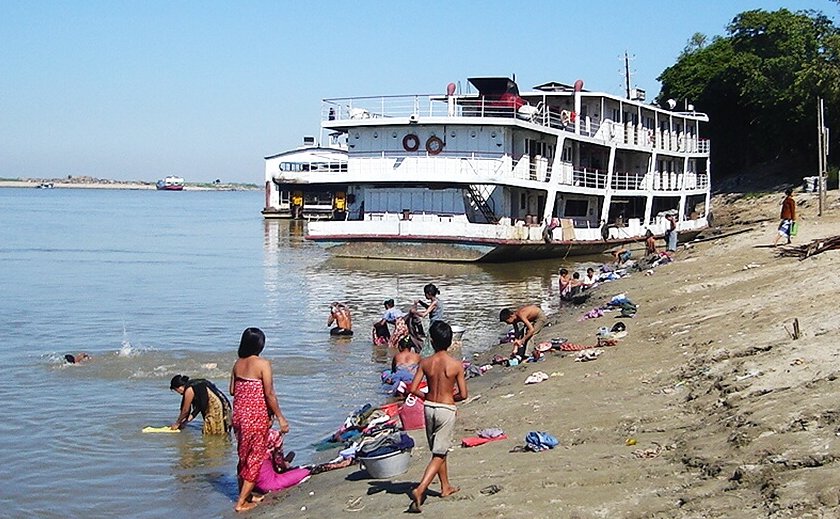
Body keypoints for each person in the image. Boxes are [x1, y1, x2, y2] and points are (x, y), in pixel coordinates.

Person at [407, 321, 467, 513]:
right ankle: (421, 489)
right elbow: (464, 394)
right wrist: (451, 398)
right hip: (445, 409)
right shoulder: (456, 364)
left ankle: (445, 486)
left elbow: (413, 388)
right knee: (439, 453)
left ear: (431, 341)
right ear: (450, 342)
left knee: (439, 450)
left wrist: (428, 397)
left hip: (429, 407)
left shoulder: (425, 363)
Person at [230, 327, 290, 513]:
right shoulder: (263, 364)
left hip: (239, 416)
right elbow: (269, 394)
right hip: (255, 417)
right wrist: (280, 418)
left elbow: (232, 390)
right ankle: (241, 502)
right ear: (260, 345)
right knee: (255, 458)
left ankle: (246, 494)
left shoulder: (237, 364)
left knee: (243, 456)